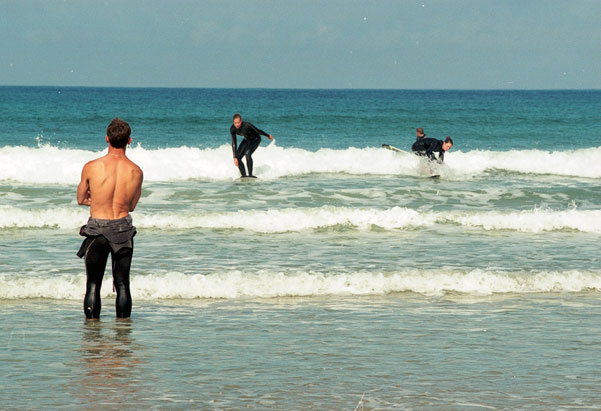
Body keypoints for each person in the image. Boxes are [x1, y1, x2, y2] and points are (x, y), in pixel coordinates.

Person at [76, 118, 143, 320]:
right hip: (122, 228)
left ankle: (92, 333)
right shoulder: (136, 171)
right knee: (123, 283)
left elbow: (80, 199)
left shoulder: (91, 166)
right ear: (129, 140)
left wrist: (98, 201)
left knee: (93, 284)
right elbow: (131, 205)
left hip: (97, 228)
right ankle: (123, 335)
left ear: (107, 139)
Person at [230, 113, 274, 177]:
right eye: (235, 123)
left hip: (256, 139)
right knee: (238, 157)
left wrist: (268, 135)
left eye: (238, 122)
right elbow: (234, 143)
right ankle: (244, 176)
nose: (237, 124)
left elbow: (258, 131)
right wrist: (234, 157)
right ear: (233, 122)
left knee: (247, 153)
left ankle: (250, 175)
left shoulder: (247, 125)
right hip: (246, 139)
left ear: (241, 121)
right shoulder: (232, 129)